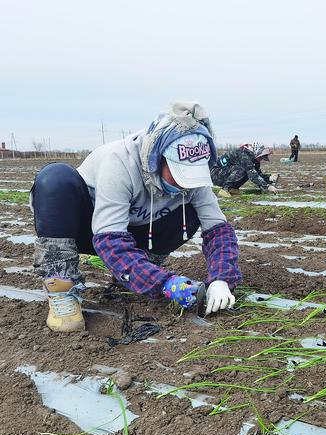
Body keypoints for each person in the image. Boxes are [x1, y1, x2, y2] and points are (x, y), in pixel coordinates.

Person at [30, 102, 241, 333]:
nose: (184, 184)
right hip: (89, 229)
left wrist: (222, 279)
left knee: (191, 211)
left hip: (135, 231)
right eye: (178, 173)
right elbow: (110, 241)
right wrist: (164, 283)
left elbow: (218, 230)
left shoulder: (193, 176)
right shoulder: (119, 161)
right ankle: (61, 288)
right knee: (55, 179)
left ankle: (138, 272)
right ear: (157, 158)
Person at [211, 144, 279, 197]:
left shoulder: (254, 159)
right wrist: (267, 187)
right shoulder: (244, 154)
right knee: (243, 169)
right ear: (257, 153)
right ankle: (225, 190)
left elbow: (257, 173)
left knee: (249, 170)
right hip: (216, 174)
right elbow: (253, 175)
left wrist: (269, 178)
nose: (260, 160)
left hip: (225, 173)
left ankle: (233, 189)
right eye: (261, 158)